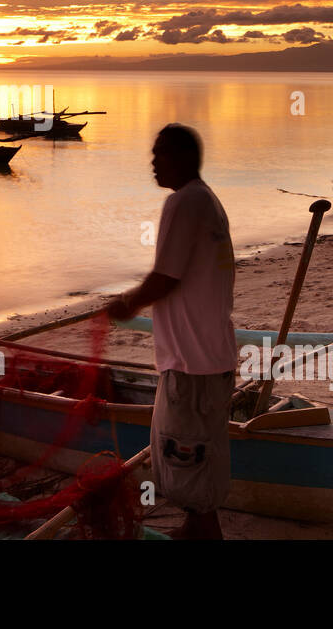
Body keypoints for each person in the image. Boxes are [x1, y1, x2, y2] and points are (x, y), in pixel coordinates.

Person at [103, 124, 236, 539]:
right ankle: (196, 527)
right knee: (200, 455)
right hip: (211, 358)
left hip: (190, 362)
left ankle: (202, 531)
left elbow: (165, 277)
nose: (152, 162)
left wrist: (127, 304)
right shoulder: (208, 201)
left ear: (181, 156)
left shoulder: (182, 202)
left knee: (185, 454)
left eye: (159, 154)